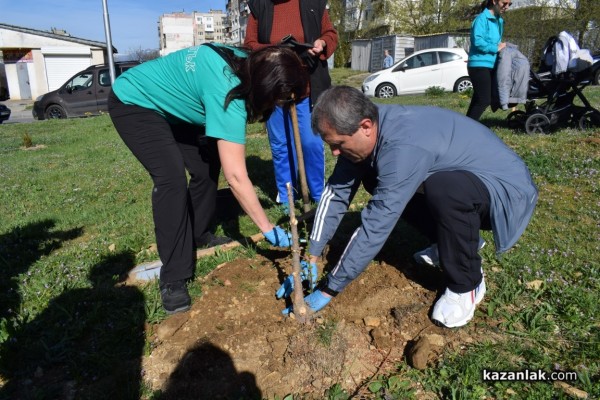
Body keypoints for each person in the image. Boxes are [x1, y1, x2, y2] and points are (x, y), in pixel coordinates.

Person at [279, 86, 538, 328]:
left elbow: (376, 225)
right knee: (376, 176)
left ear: (365, 126)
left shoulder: (402, 146)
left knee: (444, 189)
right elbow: (336, 192)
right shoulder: (364, 131)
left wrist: (329, 289)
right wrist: (311, 256)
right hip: (464, 178)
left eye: (338, 144)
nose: (334, 152)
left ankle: (466, 284)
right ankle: (452, 241)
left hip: (505, 192)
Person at [108, 44, 309, 314]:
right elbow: (236, 176)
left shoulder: (246, 62)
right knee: (171, 179)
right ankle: (173, 277)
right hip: (135, 101)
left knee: (206, 164)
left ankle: (199, 234)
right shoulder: (228, 94)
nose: (277, 106)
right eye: (277, 100)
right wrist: (267, 227)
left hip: (176, 105)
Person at [244, 0, 338, 212]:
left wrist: (321, 43)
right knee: (281, 145)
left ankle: (316, 193)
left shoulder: (313, 3)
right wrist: (278, 52)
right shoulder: (260, 6)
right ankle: (287, 195)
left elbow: (330, 34)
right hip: (274, 88)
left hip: (306, 87)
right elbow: (249, 44)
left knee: (310, 142)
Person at [465, 0, 510, 121]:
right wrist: (496, 48)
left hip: (490, 64)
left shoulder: (498, 20)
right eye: (504, 3)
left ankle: (466, 124)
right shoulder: (482, 19)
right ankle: (467, 129)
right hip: (479, 64)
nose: (507, 7)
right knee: (484, 100)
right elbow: (477, 42)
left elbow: (495, 42)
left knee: (478, 99)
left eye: (509, 4)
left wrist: (501, 46)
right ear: (494, 1)